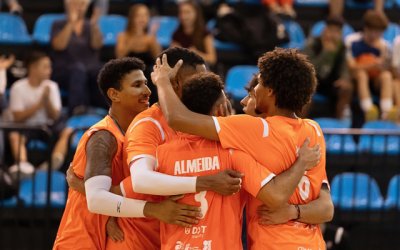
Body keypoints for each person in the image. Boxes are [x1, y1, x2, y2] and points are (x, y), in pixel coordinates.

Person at [153, 48, 330, 249]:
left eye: (260, 83)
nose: (254, 90)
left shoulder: (255, 128)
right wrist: (295, 210)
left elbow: (177, 119)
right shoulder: (313, 130)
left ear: (270, 91)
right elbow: (326, 208)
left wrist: (162, 81)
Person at [53, 57, 201, 249]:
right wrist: (155, 210)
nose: (147, 91)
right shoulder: (103, 137)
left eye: (147, 84)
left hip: (111, 238)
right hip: (80, 241)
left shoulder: (137, 134)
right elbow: (96, 199)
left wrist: (112, 214)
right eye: (137, 85)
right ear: (114, 94)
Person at [105, 47, 241, 249]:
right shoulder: (148, 124)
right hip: (142, 238)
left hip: (191, 237)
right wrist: (206, 182)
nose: (204, 86)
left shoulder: (207, 119)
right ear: (175, 82)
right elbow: (141, 180)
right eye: (197, 79)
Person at [7, 51, 62, 179]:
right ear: (33, 68)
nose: (49, 70)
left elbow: (55, 116)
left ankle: (54, 161)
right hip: (27, 126)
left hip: (47, 126)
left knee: (67, 131)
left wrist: (47, 101)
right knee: (14, 135)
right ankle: (23, 164)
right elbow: (17, 117)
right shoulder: (18, 87)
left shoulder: (52, 87)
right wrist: (39, 104)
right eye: (45, 66)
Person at [50, 0, 105, 113]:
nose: (79, 7)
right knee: (78, 70)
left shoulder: (89, 25)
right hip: (65, 70)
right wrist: (71, 23)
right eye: (75, 4)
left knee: (102, 70)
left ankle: (106, 109)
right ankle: (77, 110)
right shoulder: (58, 24)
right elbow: (59, 45)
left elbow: (97, 45)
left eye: (82, 4)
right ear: (68, 6)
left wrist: (94, 26)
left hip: (89, 69)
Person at [346, 10, 396, 121]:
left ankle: (386, 113)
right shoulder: (351, 41)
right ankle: (369, 110)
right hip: (356, 80)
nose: (374, 35)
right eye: (372, 31)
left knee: (386, 76)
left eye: (378, 32)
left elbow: (389, 69)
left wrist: (382, 57)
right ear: (365, 28)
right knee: (361, 74)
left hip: (376, 81)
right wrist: (371, 66)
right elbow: (351, 67)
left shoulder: (385, 46)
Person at [304, 16, 353, 119]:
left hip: (331, 83)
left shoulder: (342, 47)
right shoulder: (313, 44)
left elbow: (345, 68)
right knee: (305, 89)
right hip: (312, 80)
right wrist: (326, 52)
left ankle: (341, 123)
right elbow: (307, 68)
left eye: (337, 32)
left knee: (346, 88)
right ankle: (299, 123)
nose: (333, 35)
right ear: (324, 30)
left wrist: (344, 79)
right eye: (331, 30)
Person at [115, 3, 162, 104]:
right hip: (129, 74)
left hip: (148, 77)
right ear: (132, 18)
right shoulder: (123, 36)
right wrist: (134, 38)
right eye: (139, 16)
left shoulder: (150, 38)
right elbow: (119, 56)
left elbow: (158, 57)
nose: (142, 19)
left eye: (145, 15)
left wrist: (153, 37)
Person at [171, 0, 216, 66]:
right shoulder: (176, 34)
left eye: (187, 12)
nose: (184, 16)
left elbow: (212, 59)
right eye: (181, 12)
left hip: (201, 68)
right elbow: (173, 57)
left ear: (196, 13)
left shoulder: (205, 33)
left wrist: (196, 54)